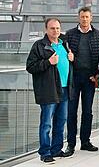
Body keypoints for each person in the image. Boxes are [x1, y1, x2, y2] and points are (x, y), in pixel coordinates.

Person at [27, 18, 73, 163]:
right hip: (49, 90)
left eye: (58, 28)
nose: (56, 31)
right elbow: (31, 67)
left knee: (61, 121)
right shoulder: (39, 45)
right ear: (46, 30)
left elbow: (68, 64)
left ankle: (56, 149)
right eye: (52, 28)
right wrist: (48, 62)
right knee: (46, 123)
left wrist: (72, 58)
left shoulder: (64, 44)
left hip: (65, 88)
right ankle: (45, 152)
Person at [65, 7, 99, 154]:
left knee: (87, 112)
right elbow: (65, 55)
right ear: (78, 18)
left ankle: (85, 141)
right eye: (82, 17)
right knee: (71, 112)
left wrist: (97, 75)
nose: (84, 19)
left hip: (90, 79)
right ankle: (70, 143)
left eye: (87, 17)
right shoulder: (69, 34)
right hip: (74, 79)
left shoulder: (98, 35)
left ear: (91, 18)